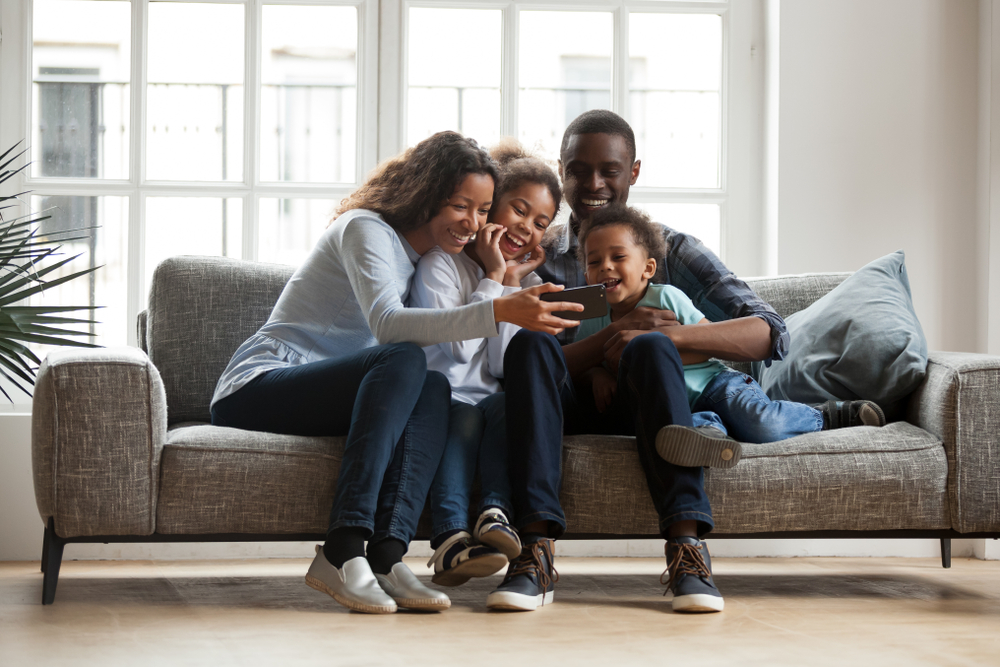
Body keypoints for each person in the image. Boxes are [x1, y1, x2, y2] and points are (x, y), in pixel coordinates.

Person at [209, 131, 582, 615]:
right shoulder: (364, 229)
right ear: (426, 193)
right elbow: (387, 325)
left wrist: (502, 287)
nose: (472, 223)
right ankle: (342, 550)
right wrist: (501, 309)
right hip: (261, 383)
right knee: (404, 356)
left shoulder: (430, 260)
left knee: (432, 385)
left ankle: (387, 554)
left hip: (338, 388)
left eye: (483, 210)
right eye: (459, 206)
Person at [487, 109, 790, 615]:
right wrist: (611, 337)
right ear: (561, 174)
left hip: (651, 396)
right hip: (572, 401)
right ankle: (534, 551)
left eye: (609, 170)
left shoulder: (668, 249)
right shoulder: (536, 251)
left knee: (651, 346)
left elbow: (769, 333)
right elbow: (510, 362)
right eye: (578, 170)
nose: (594, 183)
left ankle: (687, 548)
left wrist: (668, 334)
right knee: (532, 345)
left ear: (634, 172)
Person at [576, 204, 886, 466]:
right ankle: (712, 429)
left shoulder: (666, 298)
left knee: (763, 425)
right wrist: (597, 377)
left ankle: (828, 416)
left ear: (648, 268)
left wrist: (664, 351)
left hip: (714, 384)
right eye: (594, 261)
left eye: (618, 257)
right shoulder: (593, 315)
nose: (605, 267)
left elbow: (705, 345)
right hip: (668, 405)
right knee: (677, 433)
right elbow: (588, 359)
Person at [410, 139, 561, 587]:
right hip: (444, 395)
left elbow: (499, 363)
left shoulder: (523, 281)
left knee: (502, 408)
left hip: (485, 396)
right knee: (464, 419)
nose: (527, 229)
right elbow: (456, 349)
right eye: (518, 210)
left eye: (541, 223)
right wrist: (494, 278)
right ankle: (450, 536)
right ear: (490, 208)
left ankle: (495, 514)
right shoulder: (442, 264)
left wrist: (511, 282)